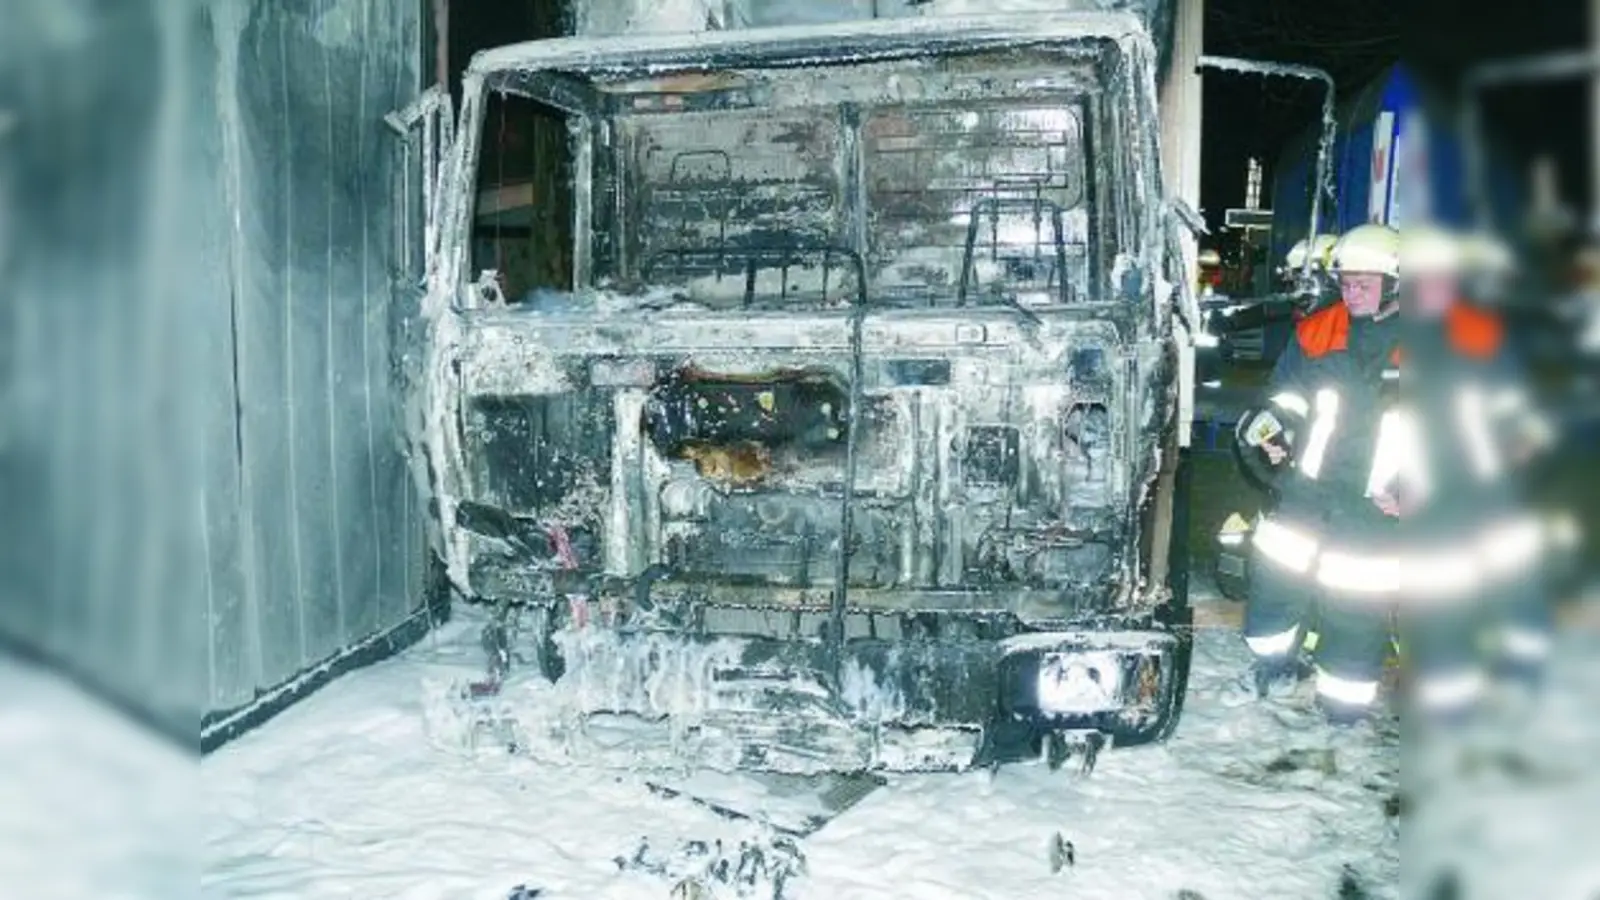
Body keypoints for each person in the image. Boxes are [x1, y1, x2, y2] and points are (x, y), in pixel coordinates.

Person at [1238, 223, 1401, 722]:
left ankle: (1343, 709)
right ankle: (1272, 665)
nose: (1350, 292)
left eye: (1363, 284)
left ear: (1395, 284)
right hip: (1304, 489)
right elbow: (1284, 397)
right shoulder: (1318, 330)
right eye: (1346, 282)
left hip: (1374, 501)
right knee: (1276, 578)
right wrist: (1267, 431)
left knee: (1355, 601)